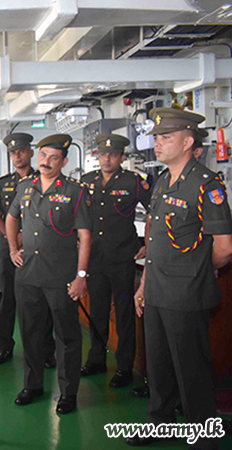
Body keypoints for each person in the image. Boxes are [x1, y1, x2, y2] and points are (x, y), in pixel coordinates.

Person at [125, 108, 232, 449]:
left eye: (165, 137)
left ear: (188, 142)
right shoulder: (161, 181)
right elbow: (155, 238)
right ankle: (160, 422)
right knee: (158, 365)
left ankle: (203, 435)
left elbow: (225, 248)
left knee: (191, 368)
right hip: (157, 289)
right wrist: (144, 285)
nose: (157, 144)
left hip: (186, 293)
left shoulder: (206, 185)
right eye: (156, 138)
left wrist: (200, 268)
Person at [5, 133, 91, 415]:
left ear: (64, 161)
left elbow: (85, 236)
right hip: (28, 275)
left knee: (67, 337)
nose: (46, 162)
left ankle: (68, 393)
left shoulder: (75, 191)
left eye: (54, 158)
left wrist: (81, 275)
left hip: (61, 277)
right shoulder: (25, 187)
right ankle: (33, 385)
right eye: (43, 156)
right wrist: (13, 249)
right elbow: (11, 217)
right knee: (31, 334)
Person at [79, 133, 151, 388]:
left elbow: (155, 211)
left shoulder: (134, 182)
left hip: (122, 257)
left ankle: (124, 367)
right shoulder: (86, 181)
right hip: (95, 259)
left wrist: (147, 245)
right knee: (97, 312)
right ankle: (96, 359)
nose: (106, 158)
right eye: (102, 154)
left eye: (112, 154)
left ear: (121, 157)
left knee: (124, 314)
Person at [0, 133, 56, 368]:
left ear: (31, 152)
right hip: (10, 250)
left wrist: (25, 236)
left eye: (21, 150)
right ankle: (4, 347)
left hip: (38, 250)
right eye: (13, 152)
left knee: (42, 302)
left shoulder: (45, 179)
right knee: (8, 300)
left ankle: (47, 351)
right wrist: (13, 237)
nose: (17, 155)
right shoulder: (3, 183)